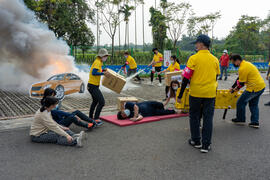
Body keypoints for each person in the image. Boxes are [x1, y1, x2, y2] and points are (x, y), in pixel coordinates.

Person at [177, 34, 220, 153]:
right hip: (210, 94)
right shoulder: (215, 59)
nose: (195, 45)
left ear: (201, 44)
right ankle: (206, 145)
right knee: (208, 118)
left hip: (196, 93)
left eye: (196, 43)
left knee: (194, 116)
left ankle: (196, 141)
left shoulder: (193, 58)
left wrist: (180, 95)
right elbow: (216, 76)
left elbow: (185, 78)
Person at [230, 54, 265, 128]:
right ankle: (255, 122)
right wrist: (233, 87)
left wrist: (234, 90)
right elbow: (239, 78)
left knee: (240, 102)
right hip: (261, 87)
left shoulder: (242, 68)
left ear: (237, 61)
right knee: (253, 104)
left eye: (233, 62)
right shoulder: (246, 64)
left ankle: (240, 119)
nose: (233, 64)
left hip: (253, 88)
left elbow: (241, 83)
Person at [88, 48, 110, 121]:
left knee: (95, 101)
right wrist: (103, 73)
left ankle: (90, 117)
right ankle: (96, 118)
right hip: (93, 86)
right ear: (102, 56)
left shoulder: (99, 62)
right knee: (102, 102)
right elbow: (93, 73)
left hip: (92, 85)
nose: (106, 58)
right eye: (106, 56)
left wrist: (103, 70)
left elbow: (97, 70)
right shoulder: (97, 62)